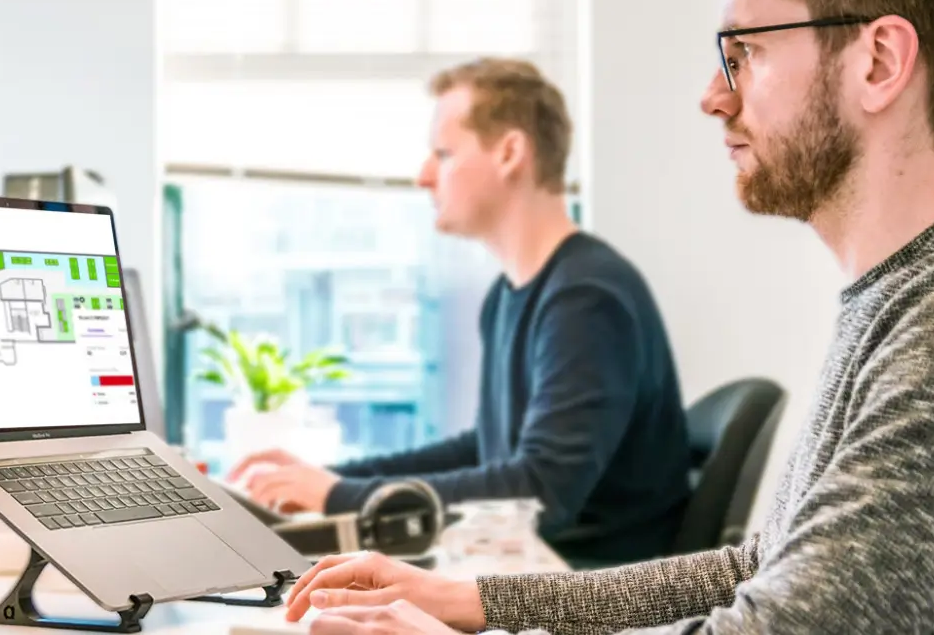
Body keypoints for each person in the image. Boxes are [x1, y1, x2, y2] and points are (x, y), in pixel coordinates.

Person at [277, 0, 934, 633]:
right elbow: (758, 566)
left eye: (745, 54)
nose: (712, 96)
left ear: (878, 61)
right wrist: (474, 603)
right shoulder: (915, 294)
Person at [227, 58, 696, 568]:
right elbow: (487, 449)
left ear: (510, 153)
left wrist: (341, 498)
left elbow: (541, 494)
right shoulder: (512, 294)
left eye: (444, 154)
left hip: (583, 587)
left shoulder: (586, 299)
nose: (423, 176)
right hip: (527, 567)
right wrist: (336, 481)